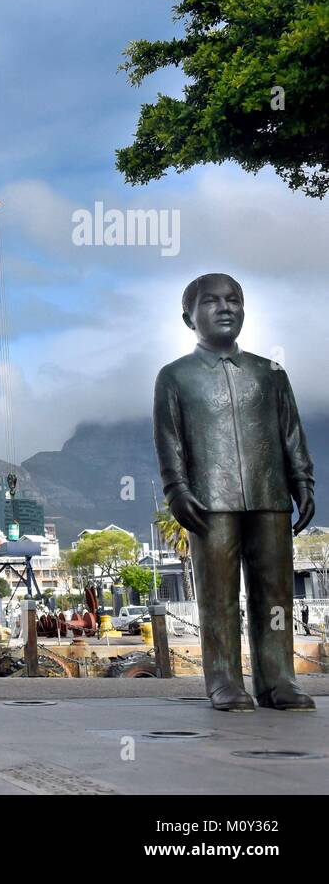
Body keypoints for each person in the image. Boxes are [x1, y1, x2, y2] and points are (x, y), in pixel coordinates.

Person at [154, 273, 316, 712]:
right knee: (218, 595)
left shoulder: (270, 372)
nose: (225, 307)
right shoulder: (175, 377)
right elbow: (170, 441)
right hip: (211, 501)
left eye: (234, 300)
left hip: (270, 496)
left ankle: (279, 679)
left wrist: (302, 481)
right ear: (189, 317)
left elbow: (291, 432)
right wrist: (176, 489)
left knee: (276, 594)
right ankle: (224, 680)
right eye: (211, 301)